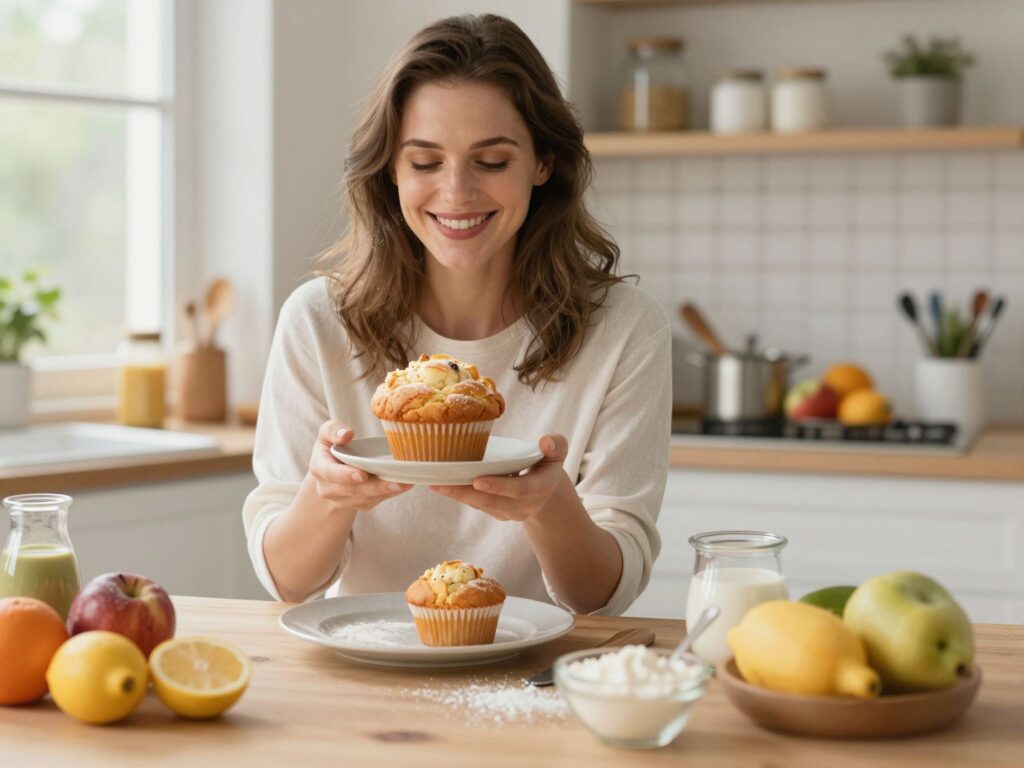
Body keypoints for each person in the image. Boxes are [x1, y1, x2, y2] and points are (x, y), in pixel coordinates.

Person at [242, 14, 671, 615]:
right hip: (366, 668)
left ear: (543, 162)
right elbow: (289, 584)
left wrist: (548, 506)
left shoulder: (624, 328)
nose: (457, 193)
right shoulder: (317, 320)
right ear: (390, 169)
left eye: (491, 162)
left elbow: (600, 596)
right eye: (424, 163)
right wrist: (328, 495)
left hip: (538, 684)